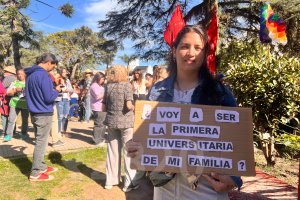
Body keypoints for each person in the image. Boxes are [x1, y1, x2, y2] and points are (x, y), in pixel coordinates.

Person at [126, 25, 243, 199]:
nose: (191, 53)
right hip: (164, 187)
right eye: (184, 46)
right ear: (174, 51)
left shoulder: (219, 91)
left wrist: (234, 179)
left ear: (205, 54)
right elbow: (148, 133)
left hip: (206, 188)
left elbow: (237, 138)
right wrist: (136, 145)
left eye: (198, 48)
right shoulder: (158, 90)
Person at [25, 53, 61, 181]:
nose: (52, 69)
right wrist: (56, 90)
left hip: (34, 112)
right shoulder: (43, 75)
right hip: (43, 112)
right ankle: (35, 172)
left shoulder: (30, 75)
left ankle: (41, 166)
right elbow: (48, 97)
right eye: (52, 66)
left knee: (40, 141)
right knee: (41, 143)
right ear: (48, 62)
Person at [104, 65, 138, 192]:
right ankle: (128, 184)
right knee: (129, 152)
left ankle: (110, 181)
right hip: (126, 122)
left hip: (112, 121)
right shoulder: (126, 85)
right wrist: (136, 107)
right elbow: (129, 105)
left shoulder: (108, 86)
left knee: (112, 152)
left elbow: (103, 107)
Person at [4, 69, 29, 141]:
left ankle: (23, 134)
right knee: (11, 120)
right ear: (17, 75)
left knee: (25, 120)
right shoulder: (14, 83)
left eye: (22, 74)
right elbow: (8, 93)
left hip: (25, 105)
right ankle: (8, 135)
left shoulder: (28, 83)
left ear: (25, 75)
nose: (20, 75)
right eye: (18, 74)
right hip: (14, 104)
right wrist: (15, 90)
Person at [90, 72, 106, 146]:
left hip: (103, 107)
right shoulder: (94, 86)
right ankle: (96, 140)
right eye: (102, 79)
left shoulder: (101, 86)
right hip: (97, 107)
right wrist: (106, 93)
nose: (103, 80)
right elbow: (97, 97)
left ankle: (101, 138)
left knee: (103, 124)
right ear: (98, 78)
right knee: (98, 124)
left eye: (104, 79)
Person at [56, 68, 73, 137]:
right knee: (60, 116)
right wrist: (64, 88)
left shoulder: (67, 80)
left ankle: (64, 131)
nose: (65, 73)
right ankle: (58, 132)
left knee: (66, 116)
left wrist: (66, 89)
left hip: (67, 99)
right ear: (60, 72)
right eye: (63, 72)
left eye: (65, 72)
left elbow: (70, 89)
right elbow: (61, 89)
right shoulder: (57, 79)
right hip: (60, 99)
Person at [1, 65, 17, 139]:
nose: (4, 72)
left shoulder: (7, 78)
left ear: (9, 72)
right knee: (12, 116)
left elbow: (2, 88)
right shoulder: (15, 78)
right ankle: (13, 131)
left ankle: (5, 132)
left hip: (6, 99)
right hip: (13, 99)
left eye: (5, 71)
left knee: (4, 116)